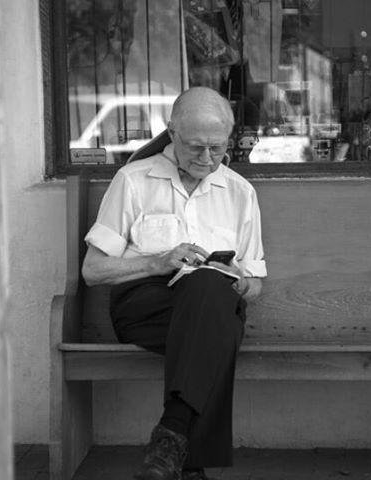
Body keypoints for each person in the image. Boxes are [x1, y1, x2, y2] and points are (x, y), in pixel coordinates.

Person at [81, 86, 267, 480]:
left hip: (208, 308)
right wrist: (158, 261)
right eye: (196, 147)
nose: (207, 158)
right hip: (144, 309)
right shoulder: (134, 179)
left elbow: (255, 282)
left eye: (217, 148)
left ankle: (171, 446)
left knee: (212, 294)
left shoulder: (239, 192)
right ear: (172, 133)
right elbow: (93, 271)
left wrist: (240, 283)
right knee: (220, 326)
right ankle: (188, 455)